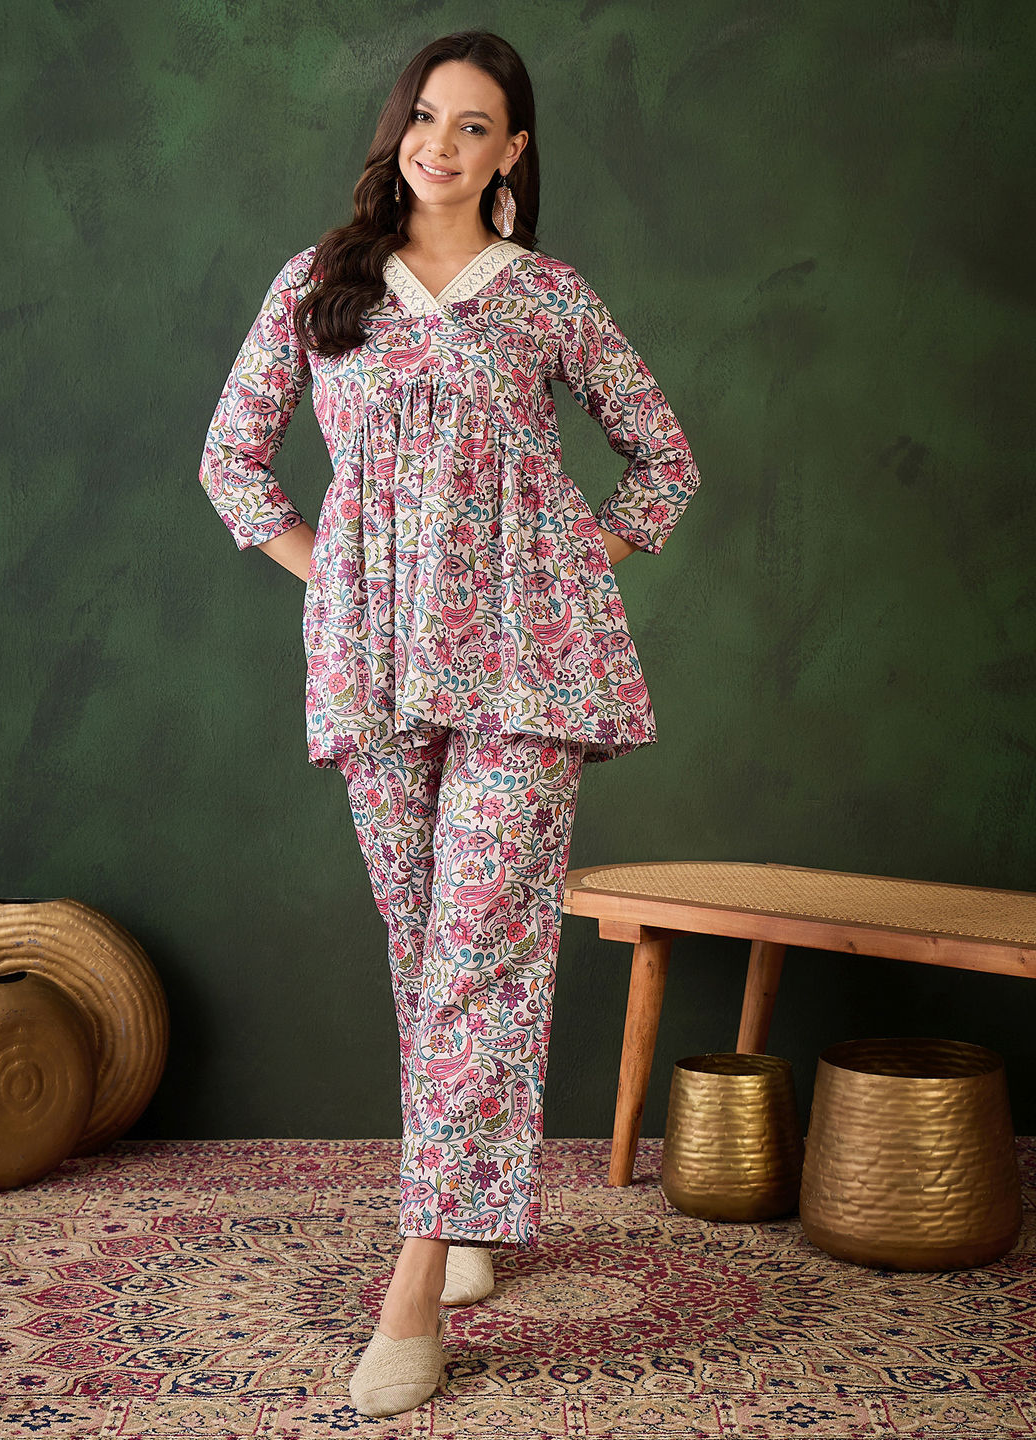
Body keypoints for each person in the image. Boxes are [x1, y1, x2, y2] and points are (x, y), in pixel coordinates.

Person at [198, 28, 701, 1418]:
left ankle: (414, 1286)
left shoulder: (547, 299)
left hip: (527, 674)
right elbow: (232, 460)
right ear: (399, 127)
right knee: (429, 952)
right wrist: (331, 580)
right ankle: (468, 1211)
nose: (441, 143)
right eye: (426, 115)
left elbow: (663, 458)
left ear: (511, 153)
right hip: (373, 671)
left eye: (474, 125)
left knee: (481, 951)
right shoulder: (320, 284)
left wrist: (573, 559)